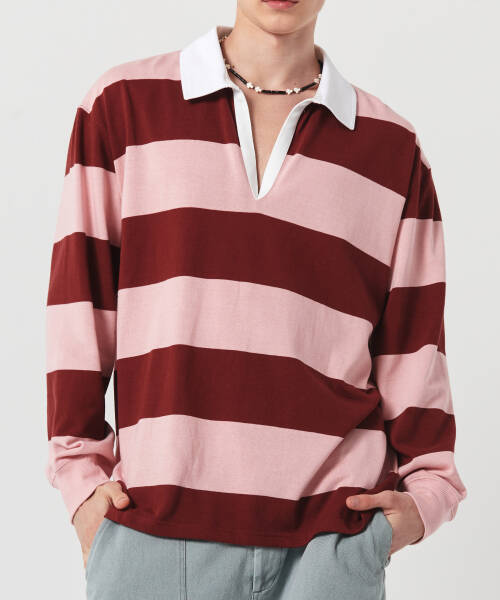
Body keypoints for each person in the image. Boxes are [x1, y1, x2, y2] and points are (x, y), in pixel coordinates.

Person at [45, 1, 467, 598]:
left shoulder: (391, 149)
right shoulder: (124, 106)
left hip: (330, 547)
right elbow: (80, 305)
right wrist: (81, 479)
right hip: (152, 531)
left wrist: (426, 496)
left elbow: (414, 344)